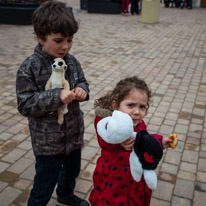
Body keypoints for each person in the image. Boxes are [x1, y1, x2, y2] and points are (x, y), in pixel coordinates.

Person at [16, 1, 90, 206]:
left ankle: (65, 195)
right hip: (47, 143)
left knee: (71, 173)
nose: (65, 46)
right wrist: (56, 96)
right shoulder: (29, 67)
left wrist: (82, 90)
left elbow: (82, 80)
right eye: (58, 40)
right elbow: (25, 103)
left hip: (73, 135)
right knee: (44, 185)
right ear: (40, 37)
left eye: (69, 40)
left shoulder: (72, 61)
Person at [89, 76, 173, 205]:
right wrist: (120, 143)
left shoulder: (140, 124)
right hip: (114, 179)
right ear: (115, 105)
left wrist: (160, 142)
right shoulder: (109, 123)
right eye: (131, 105)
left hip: (136, 178)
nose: (137, 112)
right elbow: (104, 140)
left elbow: (144, 140)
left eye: (142, 107)